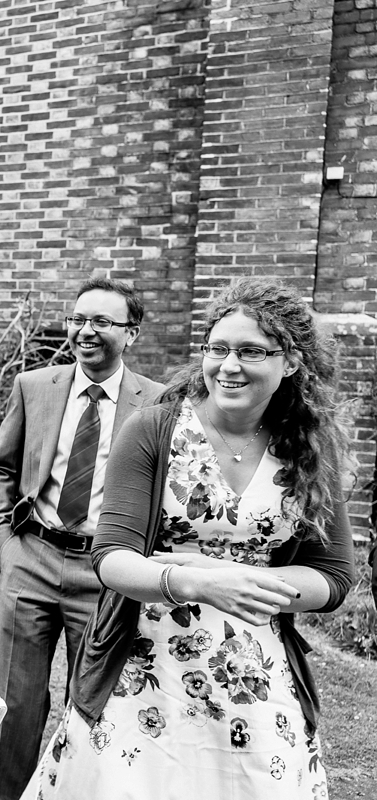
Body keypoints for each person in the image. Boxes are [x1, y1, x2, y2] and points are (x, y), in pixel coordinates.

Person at [24, 278, 357, 799]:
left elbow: (334, 577)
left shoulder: (308, 448)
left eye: (251, 351)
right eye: (217, 348)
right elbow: (112, 558)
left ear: (289, 361)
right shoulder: (153, 428)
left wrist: (232, 580)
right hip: (142, 662)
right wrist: (197, 584)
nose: (229, 365)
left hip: (256, 669)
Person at [0, 276, 162, 800]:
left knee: (92, 703)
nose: (86, 331)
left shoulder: (157, 403)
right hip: (31, 557)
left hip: (106, 571)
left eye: (102, 322)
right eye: (78, 319)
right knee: (14, 702)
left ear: (131, 334)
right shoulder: (34, 386)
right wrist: (3, 544)